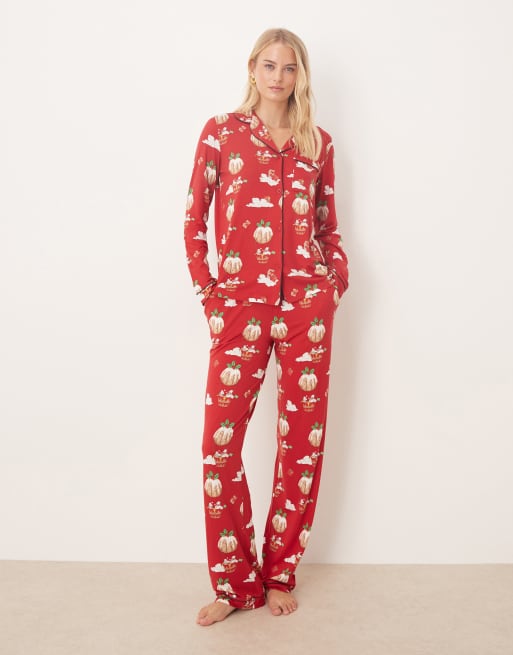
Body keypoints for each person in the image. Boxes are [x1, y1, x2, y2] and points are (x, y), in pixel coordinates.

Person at [183, 27, 349, 626]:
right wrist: (210, 295)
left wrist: (332, 286)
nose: (279, 77)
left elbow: (327, 228)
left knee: (300, 446)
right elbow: (193, 220)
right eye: (270, 65)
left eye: (290, 67)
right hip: (239, 310)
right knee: (219, 445)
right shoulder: (221, 133)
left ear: (300, 76)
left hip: (306, 311)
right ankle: (235, 584)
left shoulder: (317, 144)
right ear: (253, 68)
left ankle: (279, 573)